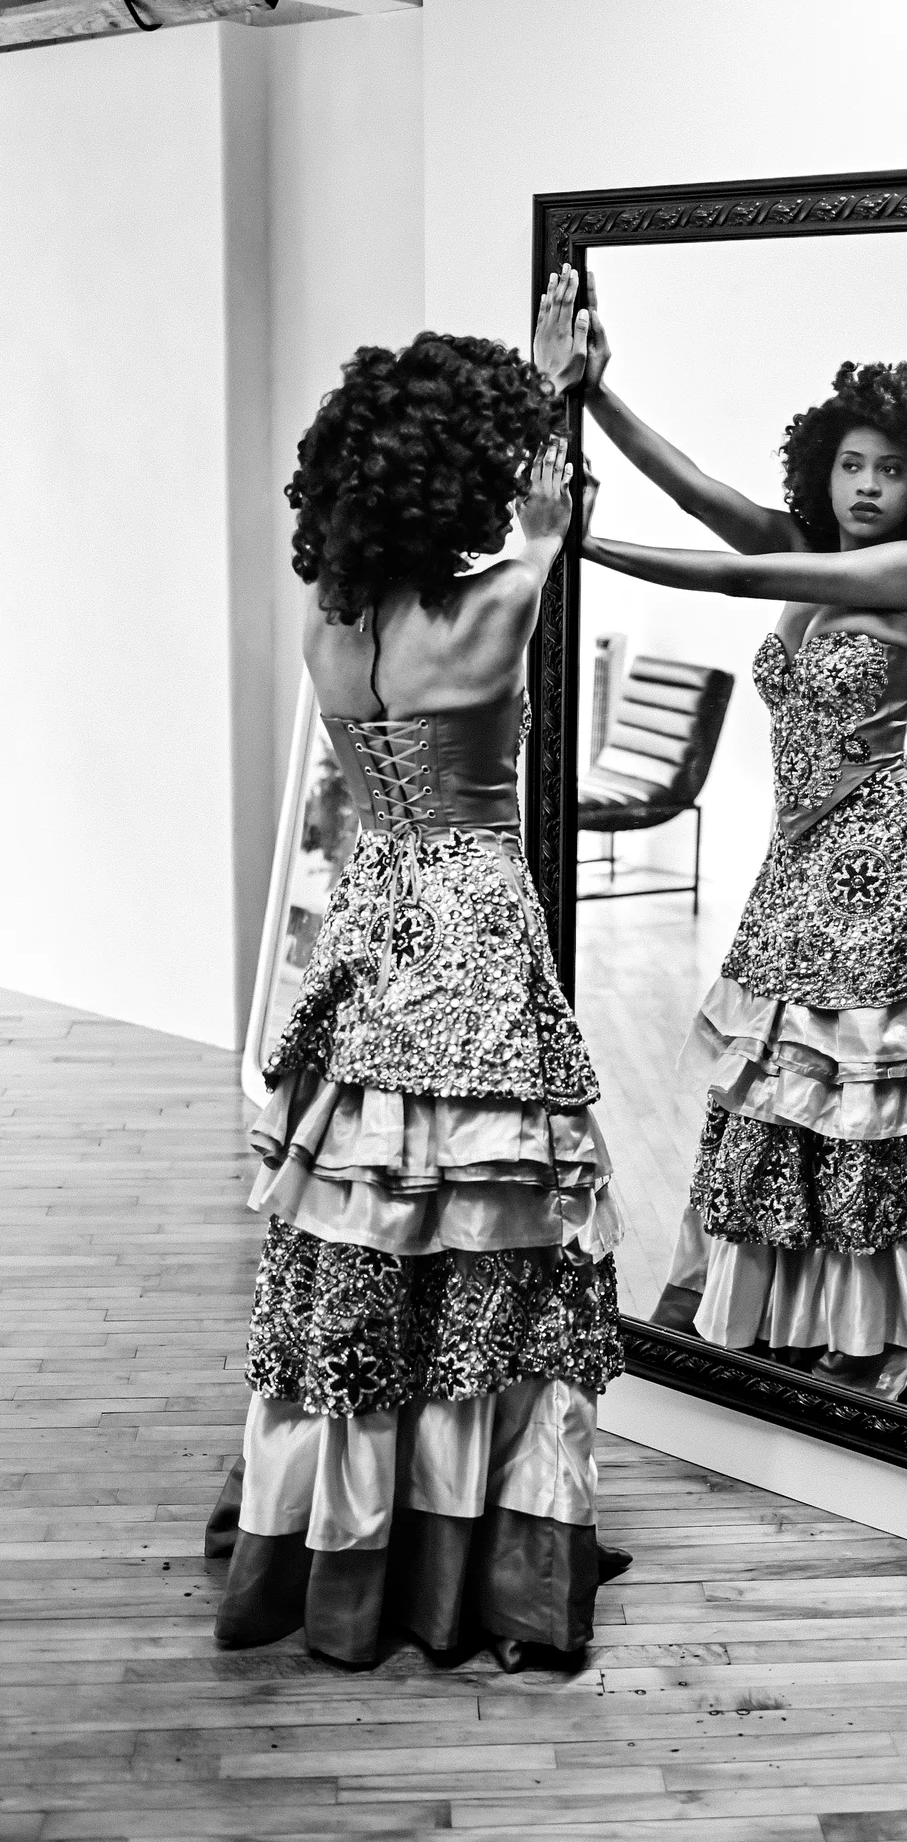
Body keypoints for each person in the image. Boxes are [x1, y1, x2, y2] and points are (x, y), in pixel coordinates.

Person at [536, 267, 907, 1403]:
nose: (867, 484)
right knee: (782, 1099)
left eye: (891, 467)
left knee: (877, 1105)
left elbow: (736, 571)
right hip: (802, 862)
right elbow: (707, 503)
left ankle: (889, 1328)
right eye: (852, 462)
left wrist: (577, 547)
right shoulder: (820, 552)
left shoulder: (906, 570)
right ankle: (783, 1312)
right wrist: (598, 400)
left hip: (885, 861)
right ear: (826, 465)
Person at [208, 332, 627, 1671]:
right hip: (476, 938)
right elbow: (540, 516)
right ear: (466, 486)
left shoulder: (330, 629)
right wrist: (557, 429)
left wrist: (533, 386)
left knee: (358, 1239)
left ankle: (343, 1538)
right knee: (496, 1249)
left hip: (370, 926)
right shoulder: (503, 601)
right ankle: (476, 1552)